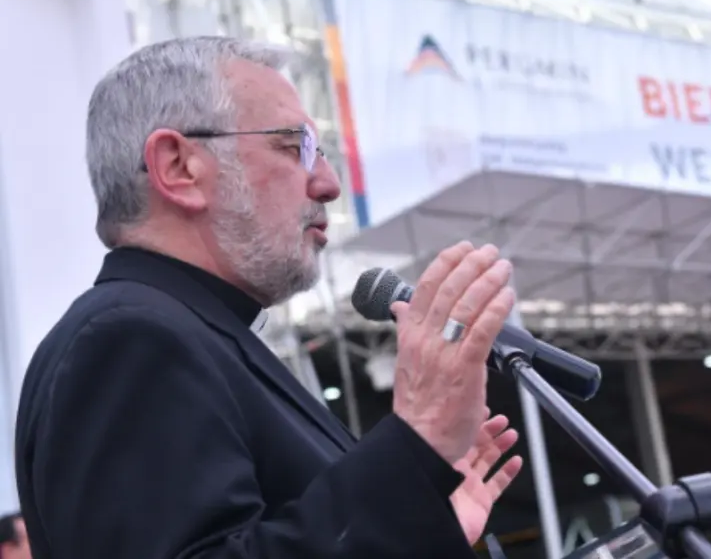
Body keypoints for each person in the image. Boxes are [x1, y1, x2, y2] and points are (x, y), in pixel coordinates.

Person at [15, 36, 523, 558]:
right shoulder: (128, 339)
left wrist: (419, 520)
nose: (327, 183)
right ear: (177, 167)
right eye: (294, 146)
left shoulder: (194, 335)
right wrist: (418, 441)